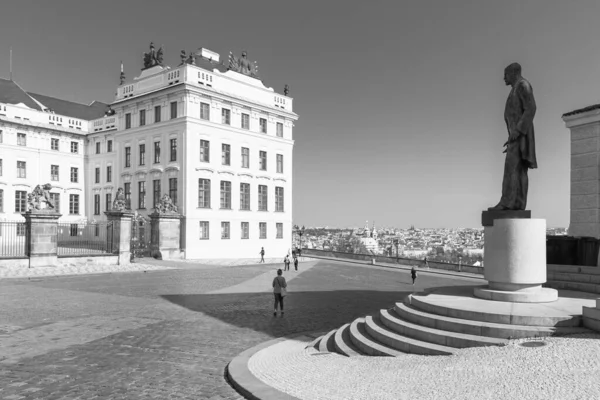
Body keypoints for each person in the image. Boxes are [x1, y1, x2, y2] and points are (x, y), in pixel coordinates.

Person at [489, 62, 537, 211]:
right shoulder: (516, 88)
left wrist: (517, 132)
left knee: (512, 168)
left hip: (520, 135)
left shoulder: (523, 85)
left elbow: (531, 108)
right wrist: (511, 138)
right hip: (516, 137)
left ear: (514, 73)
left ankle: (507, 202)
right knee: (517, 169)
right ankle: (517, 203)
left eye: (506, 74)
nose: (504, 77)